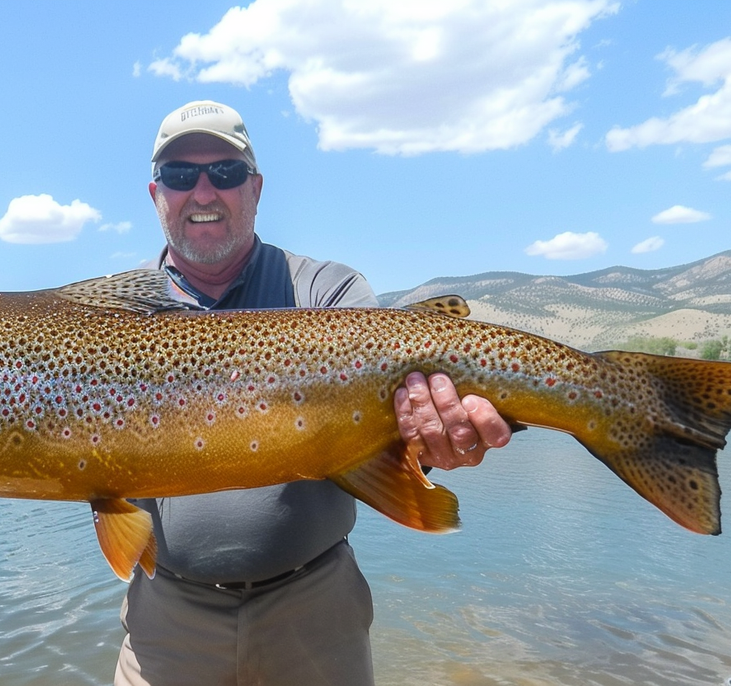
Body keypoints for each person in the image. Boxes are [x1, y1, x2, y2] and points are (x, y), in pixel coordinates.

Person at [110, 100, 512, 686]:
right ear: (155, 194)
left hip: (314, 608)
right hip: (168, 621)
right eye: (180, 175)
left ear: (256, 188)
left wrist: (435, 442)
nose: (202, 191)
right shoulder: (115, 314)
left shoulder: (327, 290)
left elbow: (395, 421)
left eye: (224, 173)